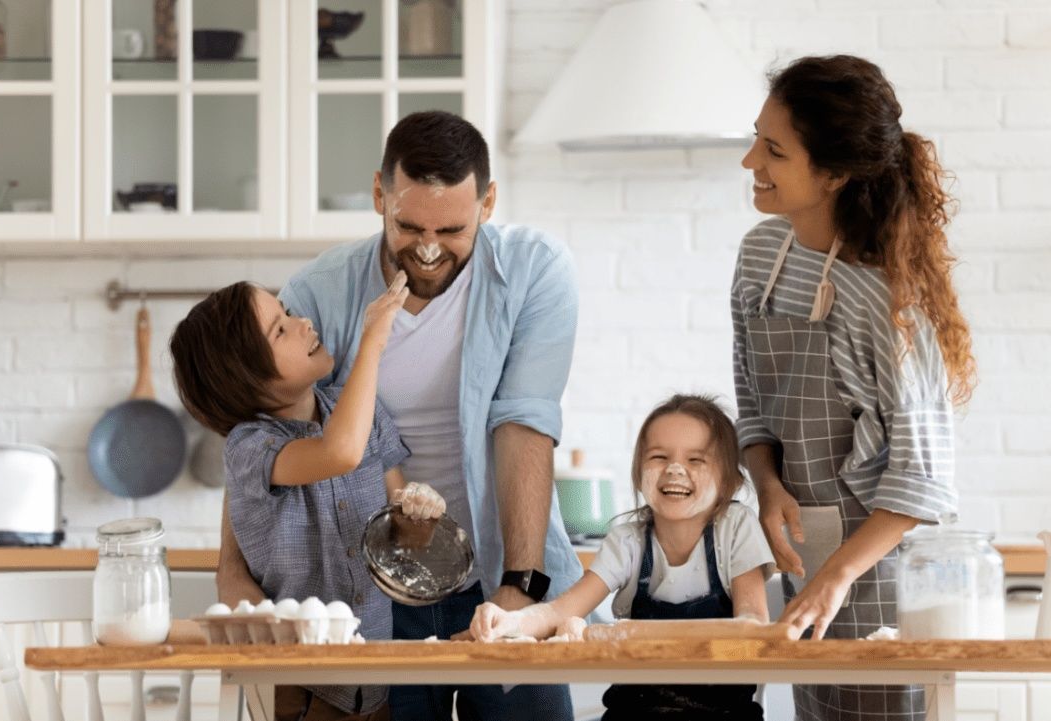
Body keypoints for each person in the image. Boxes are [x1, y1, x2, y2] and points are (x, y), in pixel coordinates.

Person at [216, 110, 579, 721]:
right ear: (380, 194)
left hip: (505, 578)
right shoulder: (318, 297)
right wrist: (233, 575)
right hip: (374, 596)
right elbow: (265, 438)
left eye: (453, 228)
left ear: (488, 203)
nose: (430, 248)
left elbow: (523, 425)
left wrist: (520, 586)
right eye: (409, 225)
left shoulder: (533, 271)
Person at [731, 55, 976, 720]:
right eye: (756, 137)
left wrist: (838, 573)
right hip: (803, 562)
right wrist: (768, 482)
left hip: (880, 583)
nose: (751, 160)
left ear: (835, 173)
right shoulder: (759, 257)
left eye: (774, 149)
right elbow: (751, 403)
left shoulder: (886, 300)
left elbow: (921, 476)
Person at [170, 273, 447, 721]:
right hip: (301, 693)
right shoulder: (249, 448)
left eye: (289, 313)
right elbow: (337, 453)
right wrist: (373, 340)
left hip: (377, 686)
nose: (304, 325)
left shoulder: (366, 413)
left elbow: (401, 540)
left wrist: (419, 517)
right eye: (280, 330)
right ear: (245, 377)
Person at [471, 394, 776, 721]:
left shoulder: (736, 529)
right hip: (635, 712)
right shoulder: (628, 540)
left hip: (725, 713)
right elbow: (561, 610)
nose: (674, 469)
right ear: (638, 471)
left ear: (730, 481)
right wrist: (511, 622)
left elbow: (752, 633)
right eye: (659, 456)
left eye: (696, 460)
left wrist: (681, 650)